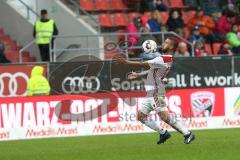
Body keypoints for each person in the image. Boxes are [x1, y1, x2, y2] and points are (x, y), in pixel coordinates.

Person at [114, 37, 195, 144]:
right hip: (151, 93)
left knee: (165, 117)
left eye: (166, 42)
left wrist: (126, 62)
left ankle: (187, 133)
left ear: (171, 47)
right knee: (141, 116)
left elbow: (144, 64)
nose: (163, 43)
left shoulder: (164, 58)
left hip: (156, 91)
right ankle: (163, 133)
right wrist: (138, 74)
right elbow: (152, 69)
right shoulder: (163, 58)